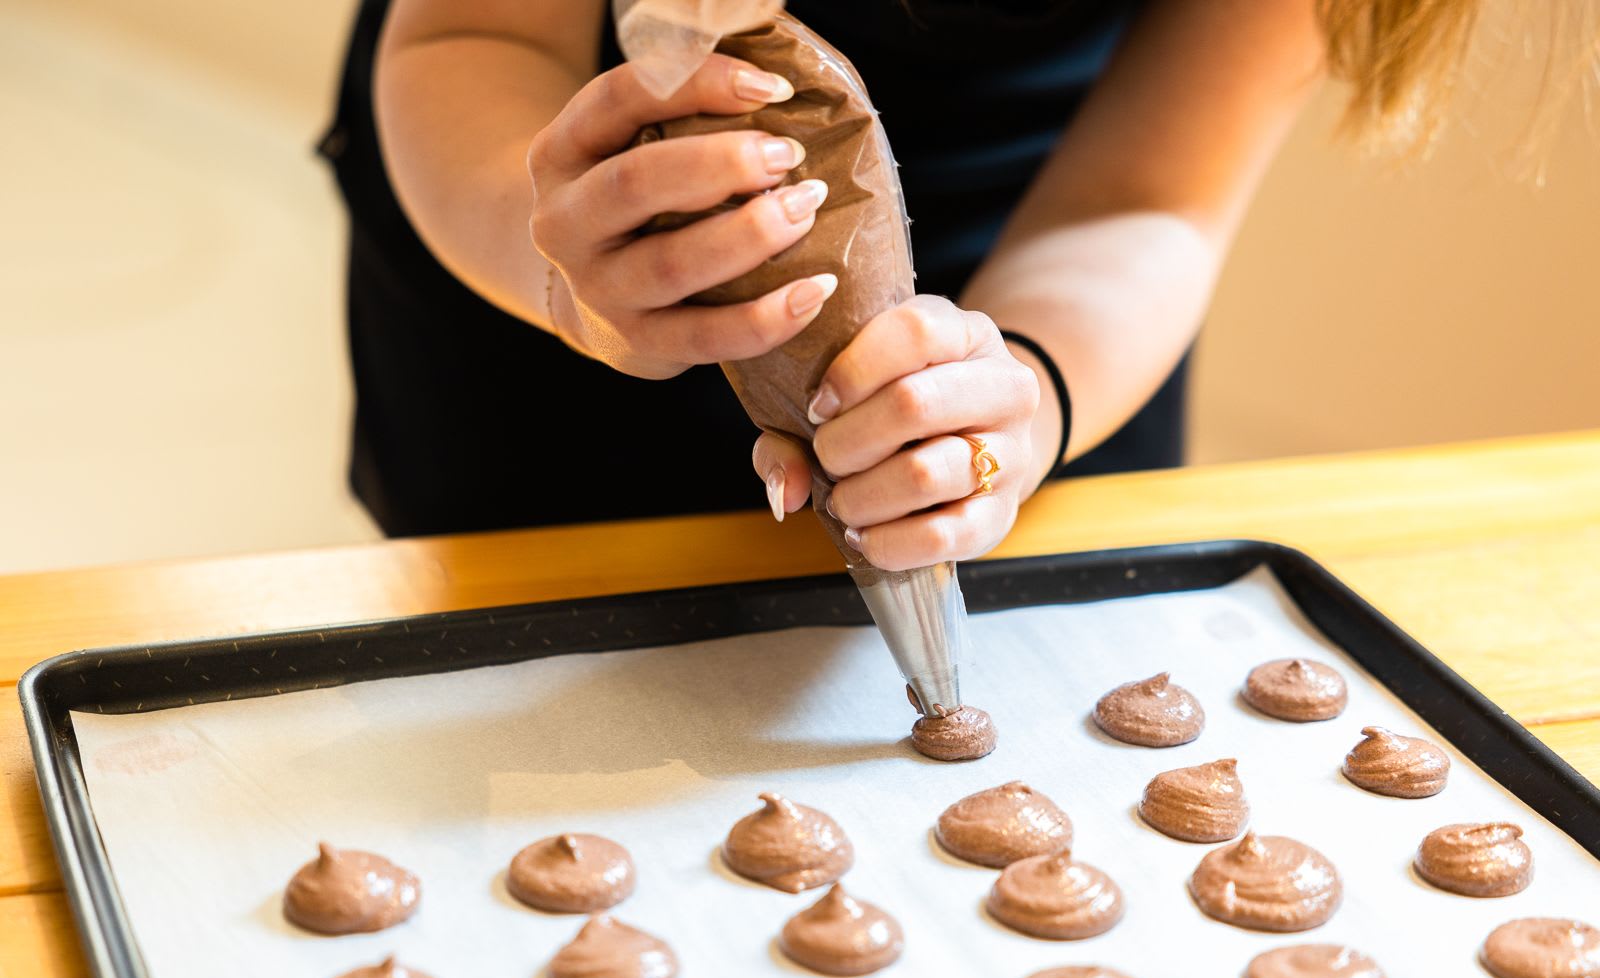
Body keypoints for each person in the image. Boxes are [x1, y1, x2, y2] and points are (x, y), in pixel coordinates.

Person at [320, 0, 1477, 569]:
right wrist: (556, 261)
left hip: (1050, 273)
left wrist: (1017, 406)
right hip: (552, 217)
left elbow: (1147, 198)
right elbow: (474, 32)